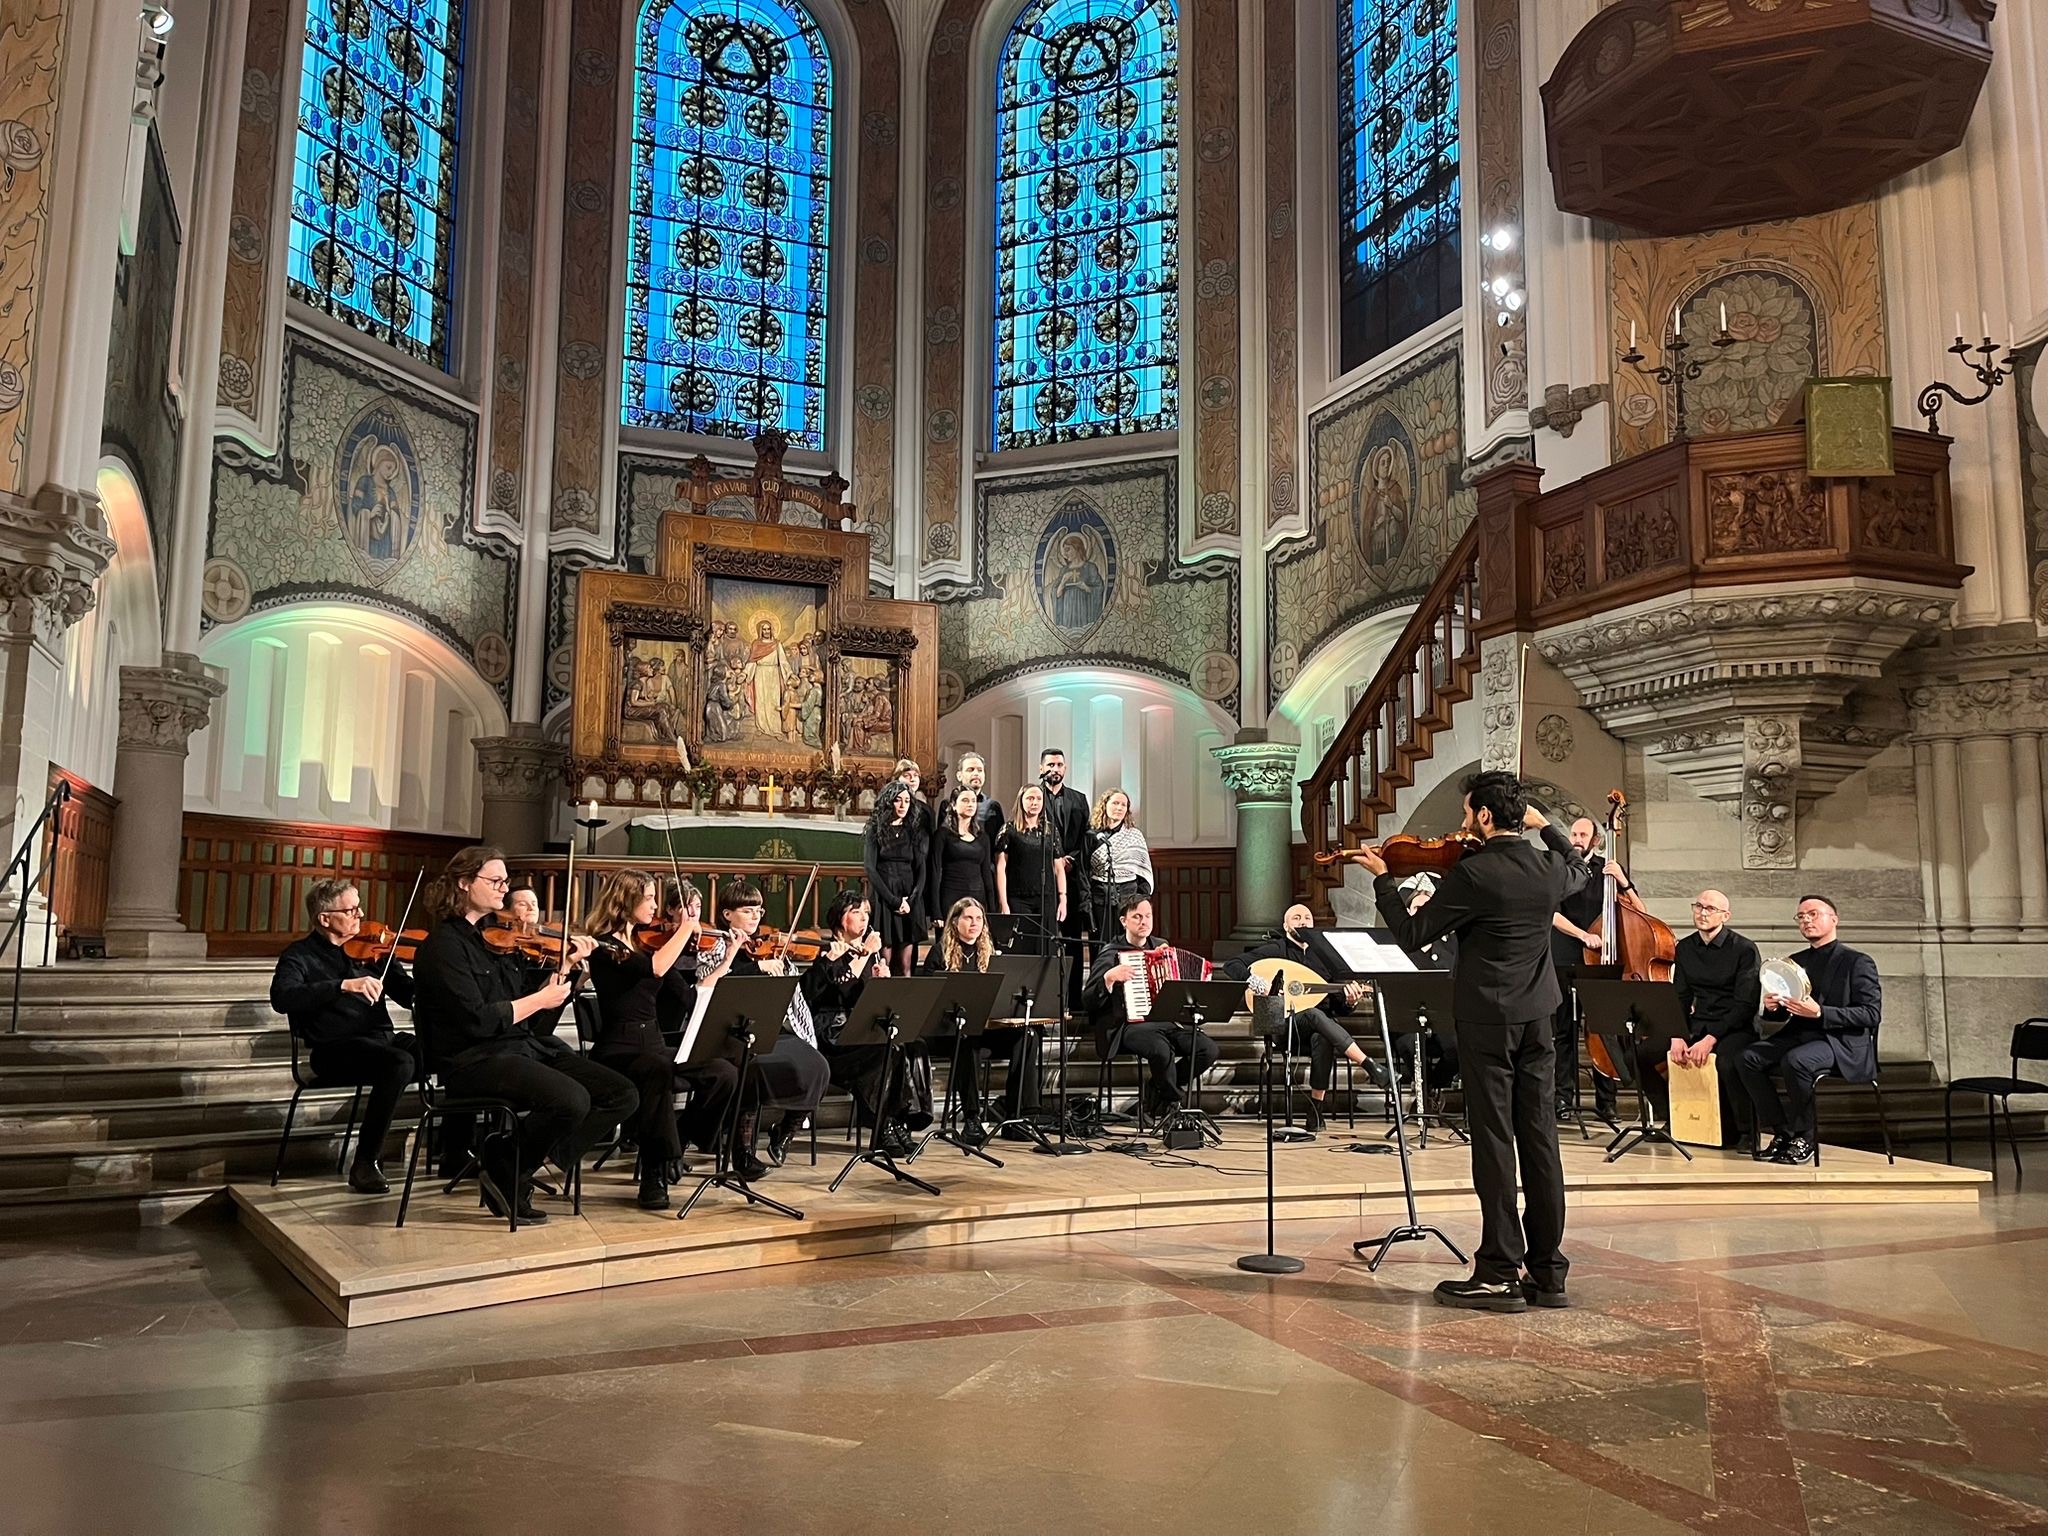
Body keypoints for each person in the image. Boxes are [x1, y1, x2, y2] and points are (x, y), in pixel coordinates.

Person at [1364, 772, 1589, 1313]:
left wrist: (1382, 880)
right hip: (1540, 1017)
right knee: (1540, 1140)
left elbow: (1416, 936)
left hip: (1489, 1017)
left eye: (1468, 813)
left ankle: (1496, 1272)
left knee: (1493, 1140)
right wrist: (1548, 829)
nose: (1463, 824)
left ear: (1485, 817)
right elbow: (1582, 869)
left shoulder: (1474, 873)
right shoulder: (1546, 866)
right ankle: (1548, 1273)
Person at [409, 846, 637, 1225]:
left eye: (504, 881)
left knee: (621, 1093)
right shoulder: (443, 947)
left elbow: (534, 1025)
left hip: (521, 1047)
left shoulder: (502, 939)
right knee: (570, 1099)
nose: (503, 889)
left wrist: (564, 972)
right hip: (471, 1059)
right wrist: (539, 998)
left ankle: (511, 1161)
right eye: (494, 880)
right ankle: (510, 1168)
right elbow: (478, 1021)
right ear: (464, 883)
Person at [583, 871, 741, 1209]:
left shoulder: (646, 942)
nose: (655, 905)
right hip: (618, 1050)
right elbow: (653, 969)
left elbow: (687, 995)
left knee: (723, 1072)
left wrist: (726, 959)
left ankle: (678, 1142)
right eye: (650, 898)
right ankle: (655, 1174)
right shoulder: (605, 946)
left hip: (653, 1045)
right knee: (658, 1073)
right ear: (627, 900)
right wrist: (685, 928)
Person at [268, 878, 419, 1194]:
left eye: (359, 907)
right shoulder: (300, 956)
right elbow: (283, 997)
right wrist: (341, 985)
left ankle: (457, 1150)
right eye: (351, 910)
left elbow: (409, 996)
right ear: (324, 918)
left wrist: (433, 975)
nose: (360, 915)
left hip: (382, 1041)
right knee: (399, 1063)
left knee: (445, 1049)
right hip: (332, 1050)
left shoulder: (373, 952)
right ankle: (365, 1162)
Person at [1735, 895, 1880, 1166]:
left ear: (1833, 919)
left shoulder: (1857, 961)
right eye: (1801, 917)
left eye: (1813, 914)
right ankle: (1782, 1132)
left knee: (1797, 1060)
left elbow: (1871, 1014)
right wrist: (1771, 1007)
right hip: (1800, 1035)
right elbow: (1785, 1010)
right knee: (1747, 1058)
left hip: (1840, 1042)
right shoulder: (1794, 962)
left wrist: (1822, 1013)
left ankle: (1806, 1136)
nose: (1806, 920)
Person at [699, 882, 832, 1168]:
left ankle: (784, 1132)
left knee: (818, 1067)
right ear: (727, 914)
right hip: (731, 1034)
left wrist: (783, 971)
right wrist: (754, 968)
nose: (755, 916)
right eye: (747, 910)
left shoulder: (772, 948)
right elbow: (710, 985)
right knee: (751, 1070)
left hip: (775, 1029)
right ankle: (743, 1150)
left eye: (758, 910)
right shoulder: (715, 946)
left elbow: (794, 997)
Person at [1219, 902, 1370, 1133]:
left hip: (1322, 1030)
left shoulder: (1327, 958)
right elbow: (1232, 965)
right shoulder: (1276, 949)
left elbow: (1338, 1006)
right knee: (1312, 1014)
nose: (1303, 921)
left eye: (1307, 917)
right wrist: (1260, 983)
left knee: (1323, 1033)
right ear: (1285, 925)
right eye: (1296, 917)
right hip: (1283, 1026)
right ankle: (1368, 1064)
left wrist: (1350, 1001)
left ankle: (1315, 1109)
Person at [801, 889, 931, 1156]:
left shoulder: (869, 954)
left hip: (863, 1028)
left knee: (913, 1044)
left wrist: (881, 982)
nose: (863, 919)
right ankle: (884, 1126)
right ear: (840, 918)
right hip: (834, 1035)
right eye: (856, 912)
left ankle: (900, 1120)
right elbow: (840, 989)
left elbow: (869, 1002)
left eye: (866, 914)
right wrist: (862, 958)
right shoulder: (827, 953)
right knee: (884, 1050)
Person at [1084, 895, 1219, 1119]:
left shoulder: (1161, 948)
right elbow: (1088, 1000)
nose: (1143, 921)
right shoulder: (1111, 953)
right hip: (1128, 1025)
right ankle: (1173, 1102)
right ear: (1123, 921)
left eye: (1148, 916)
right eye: (1137, 916)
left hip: (1166, 1021)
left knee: (1207, 1049)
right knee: (1160, 1049)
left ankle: (1158, 1087)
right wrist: (1108, 979)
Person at [920, 898, 1038, 1143]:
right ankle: (972, 1117)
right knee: (968, 1038)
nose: (974, 923)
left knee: (1028, 1036)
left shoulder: (990, 953)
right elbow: (930, 1002)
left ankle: (1016, 1117)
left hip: (986, 1029)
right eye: (968, 918)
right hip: (947, 1032)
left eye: (978, 918)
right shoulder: (939, 953)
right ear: (955, 922)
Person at [1656, 890, 1762, 1148]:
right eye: (1699, 906)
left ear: (1726, 916)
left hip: (1735, 1025)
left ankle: (1745, 1132)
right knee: (1642, 1054)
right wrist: (1677, 1034)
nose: (1703, 912)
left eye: (1711, 909)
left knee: (1726, 1063)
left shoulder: (1744, 949)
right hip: (1697, 1022)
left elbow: (1745, 1004)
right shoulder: (1686, 947)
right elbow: (1680, 996)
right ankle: (1672, 1118)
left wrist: (1710, 1040)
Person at [1549, 817, 1622, 1127]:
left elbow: (1637, 910)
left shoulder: (1608, 870)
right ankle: (1562, 1097)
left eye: (1583, 834)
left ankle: (1607, 1102)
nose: (1577, 839)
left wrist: (1624, 881)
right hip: (1564, 954)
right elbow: (1549, 912)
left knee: (1603, 1029)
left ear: (1595, 840)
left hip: (1600, 958)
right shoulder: (1558, 868)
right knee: (1562, 1032)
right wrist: (1583, 935)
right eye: (1573, 833)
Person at [1389, 873, 1461, 1095]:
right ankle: (1426, 1096)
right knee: (1411, 1047)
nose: (1423, 914)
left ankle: (1432, 1088)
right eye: (1417, 909)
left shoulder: (1452, 946)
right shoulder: (1397, 948)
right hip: (1406, 1021)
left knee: (1458, 1049)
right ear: (1409, 912)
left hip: (1443, 1019)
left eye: (1428, 909)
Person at [1038, 748, 1094, 1009]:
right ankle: (1046, 1000)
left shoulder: (1079, 799)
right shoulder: (1033, 797)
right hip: (1042, 880)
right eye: (1050, 764)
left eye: (1060, 764)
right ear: (1041, 769)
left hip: (1072, 878)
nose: (1055, 769)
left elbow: (1086, 837)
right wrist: (1054, 862)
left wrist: (1069, 859)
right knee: (1045, 941)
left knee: (1073, 940)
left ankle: (1074, 999)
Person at [863, 778, 929, 978]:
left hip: (910, 899)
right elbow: (870, 868)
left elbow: (921, 869)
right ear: (888, 802)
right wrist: (894, 901)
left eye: (907, 801)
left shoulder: (914, 830)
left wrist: (912, 900)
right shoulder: (876, 829)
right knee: (885, 963)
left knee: (906, 964)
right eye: (898, 800)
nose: (903, 805)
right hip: (886, 898)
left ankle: (906, 1007)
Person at [995, 783, 1068, 956]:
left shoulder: (1050, 830)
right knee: (1022, 946)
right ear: (1021, 801)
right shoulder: (1009, 829)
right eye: (1030, 798)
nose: (1034, 802)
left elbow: (1058, 867)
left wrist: (1063, 898)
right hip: (1018, 897)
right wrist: (1003, 903)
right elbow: (1000, 867)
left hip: (1046, 897)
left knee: (1046, 946)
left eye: (1038, 799)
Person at [1087, 788, 1154, 940]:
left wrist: (1140, 899)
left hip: (1128, 897)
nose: (1119, 808)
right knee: (1100, 943)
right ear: (1105, 806)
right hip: (1100, 897)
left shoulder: (1135, 836)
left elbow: (1144, 872)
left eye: (1123, 805)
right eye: (1115, 803)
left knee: (1125, 943)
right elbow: (1084, 871)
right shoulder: (1091, 836)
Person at [930, 784, 997, 920]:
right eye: (965, 800)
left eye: (973, 801)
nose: (970, 804)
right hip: (950, 897)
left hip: (977, 898)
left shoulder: (982, 837)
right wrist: (935, 912)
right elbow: (935, 874)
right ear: (953, 805)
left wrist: (993, 910)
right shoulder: (943, 835)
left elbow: (987, 875)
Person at [955, 753, 1006, 840]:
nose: (976, 773)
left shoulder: (993, 806)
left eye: (980, 770)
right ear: (959, 776)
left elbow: (1000, 842)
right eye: (970, 770)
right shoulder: (948, 803)